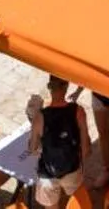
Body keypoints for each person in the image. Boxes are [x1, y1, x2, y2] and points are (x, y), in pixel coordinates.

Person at [26, 76, 88, 207]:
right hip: (72, 169)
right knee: (77, 203)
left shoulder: (40, 117)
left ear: (49, 87)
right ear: (67, 86)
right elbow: (86, 149)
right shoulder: (78, 111)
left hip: (48, 175)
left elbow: (32, 149)